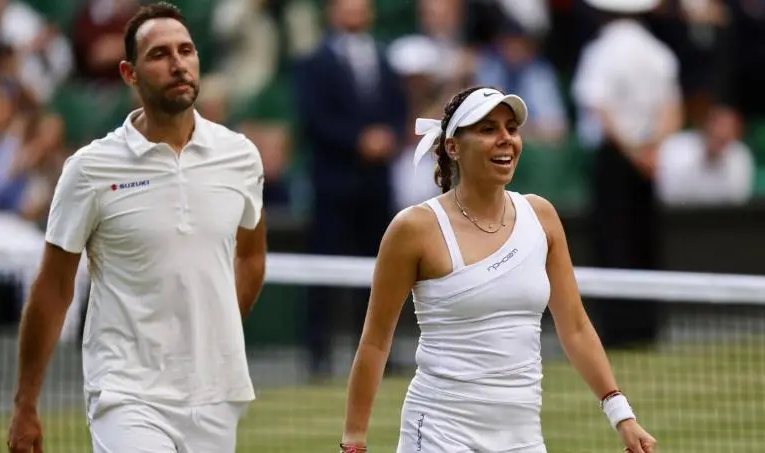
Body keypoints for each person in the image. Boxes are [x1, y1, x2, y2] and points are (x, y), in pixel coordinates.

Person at [6, 3, 267, 453]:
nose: (178, 63)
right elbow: (52, 287)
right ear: (129, 73)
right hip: (125, 394)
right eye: (160, 54)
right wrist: (26, 403)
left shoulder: (241, 156)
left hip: (216, 394)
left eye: (186, 50)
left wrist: (218, 326)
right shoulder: (89, 169)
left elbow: (251, 255)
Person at [339, 86, 657, 453]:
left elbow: (575, 326)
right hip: (439, 434)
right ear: (454, 147)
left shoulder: (542, 216)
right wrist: (354, 443)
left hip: (523, 438)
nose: (506, 139)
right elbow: (376, 342)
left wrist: (622, 415)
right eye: (488, 129)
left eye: (511, 128)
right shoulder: (413, 229)